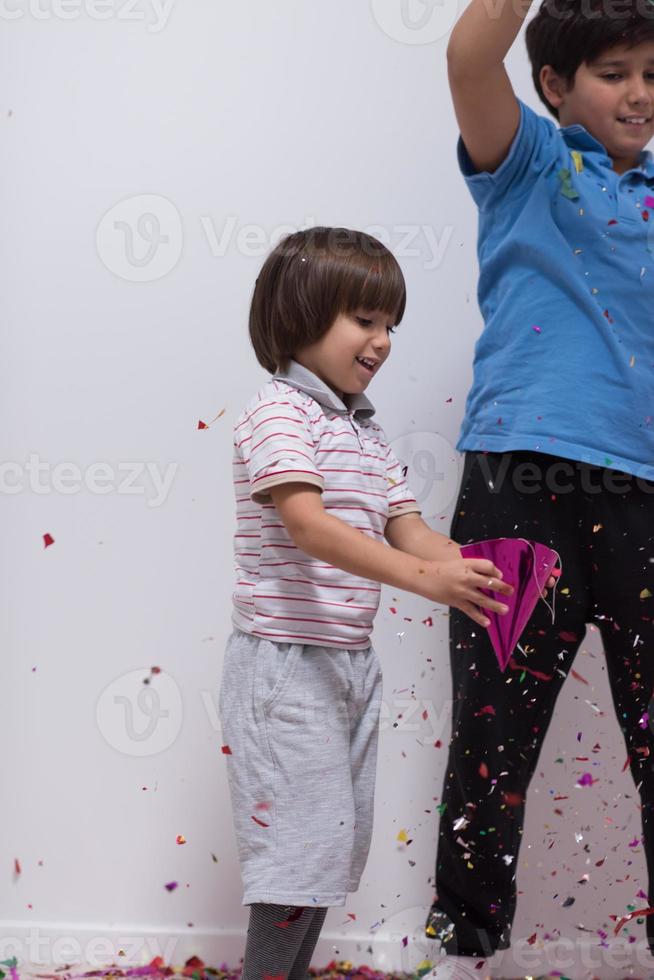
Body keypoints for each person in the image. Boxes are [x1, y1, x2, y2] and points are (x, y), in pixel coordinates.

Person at [218, 226, 518, 980]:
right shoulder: (277, 413)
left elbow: (408, 527)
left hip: (350, 666)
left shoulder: (364, 430)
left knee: (327, 852)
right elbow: (308, 524)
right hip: (285, 670)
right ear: (299, 315)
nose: (382, 341)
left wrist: (478, 571)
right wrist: (425, 584)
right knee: (296, 856)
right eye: (364, 320)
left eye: (390, 325)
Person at [427, 0, 654, 975]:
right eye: (614, 72)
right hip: (522, 489)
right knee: (493, 731)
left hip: (647, 502)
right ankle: (471, 949)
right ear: (558, 86)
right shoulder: (526, 162)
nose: (639, 92)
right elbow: (471, 51)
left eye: (651, 72)